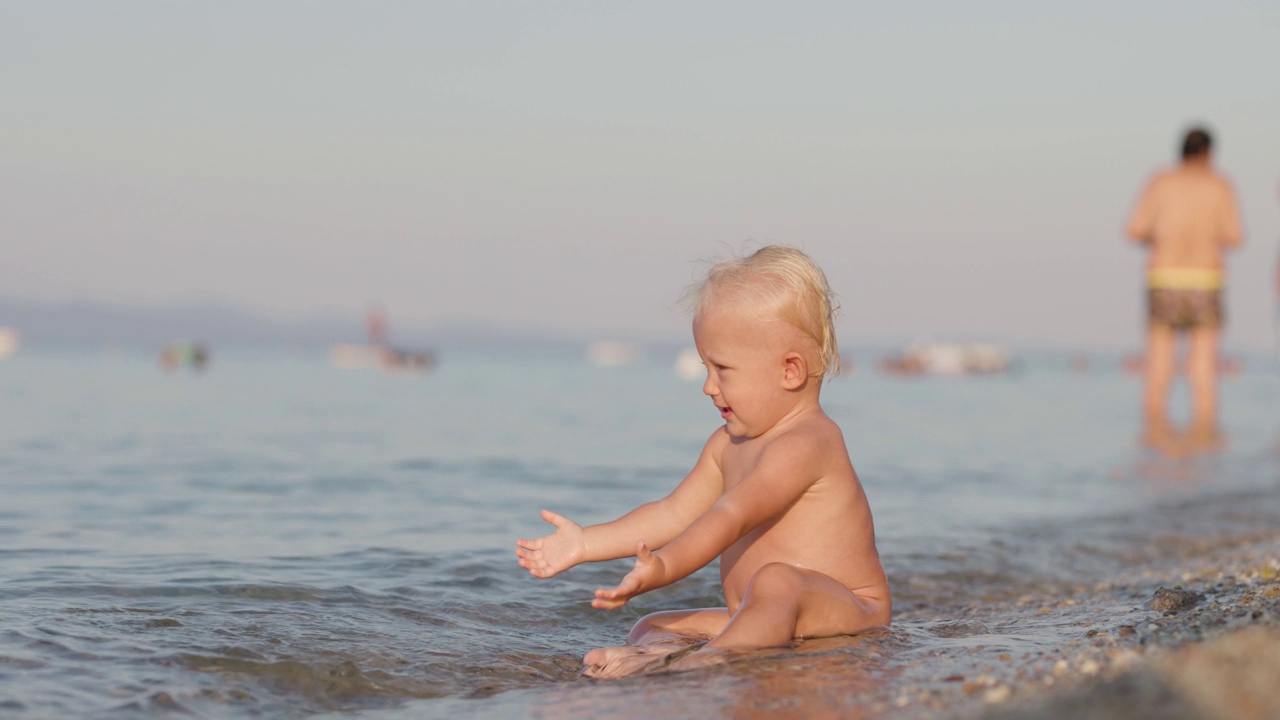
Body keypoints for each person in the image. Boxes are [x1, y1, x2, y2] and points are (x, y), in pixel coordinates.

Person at [515, 245, 891, 678]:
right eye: (705, 367)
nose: (708, 387)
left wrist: (665, 568)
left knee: (776, 580)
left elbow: (729, 516)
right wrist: (586, 544)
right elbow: (672, 512)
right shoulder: (725, 445)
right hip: (764, 612)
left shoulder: (809, 441)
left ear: (790, 371)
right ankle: (656, 655)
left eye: (722, 369)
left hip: (847, 613)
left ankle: (706, 660)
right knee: (652, 625)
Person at [1126, 127, 1244, 449]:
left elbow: (1134, 230)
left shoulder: (1161, 182)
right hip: (1206, 279)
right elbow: (1235, 236)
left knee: (1159, 368)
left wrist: (1161, 239)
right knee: (1203, 371)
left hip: (1164, 275)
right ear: (1209, 154)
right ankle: (1204, 453)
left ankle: (1156, 448)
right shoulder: (1220, 185)